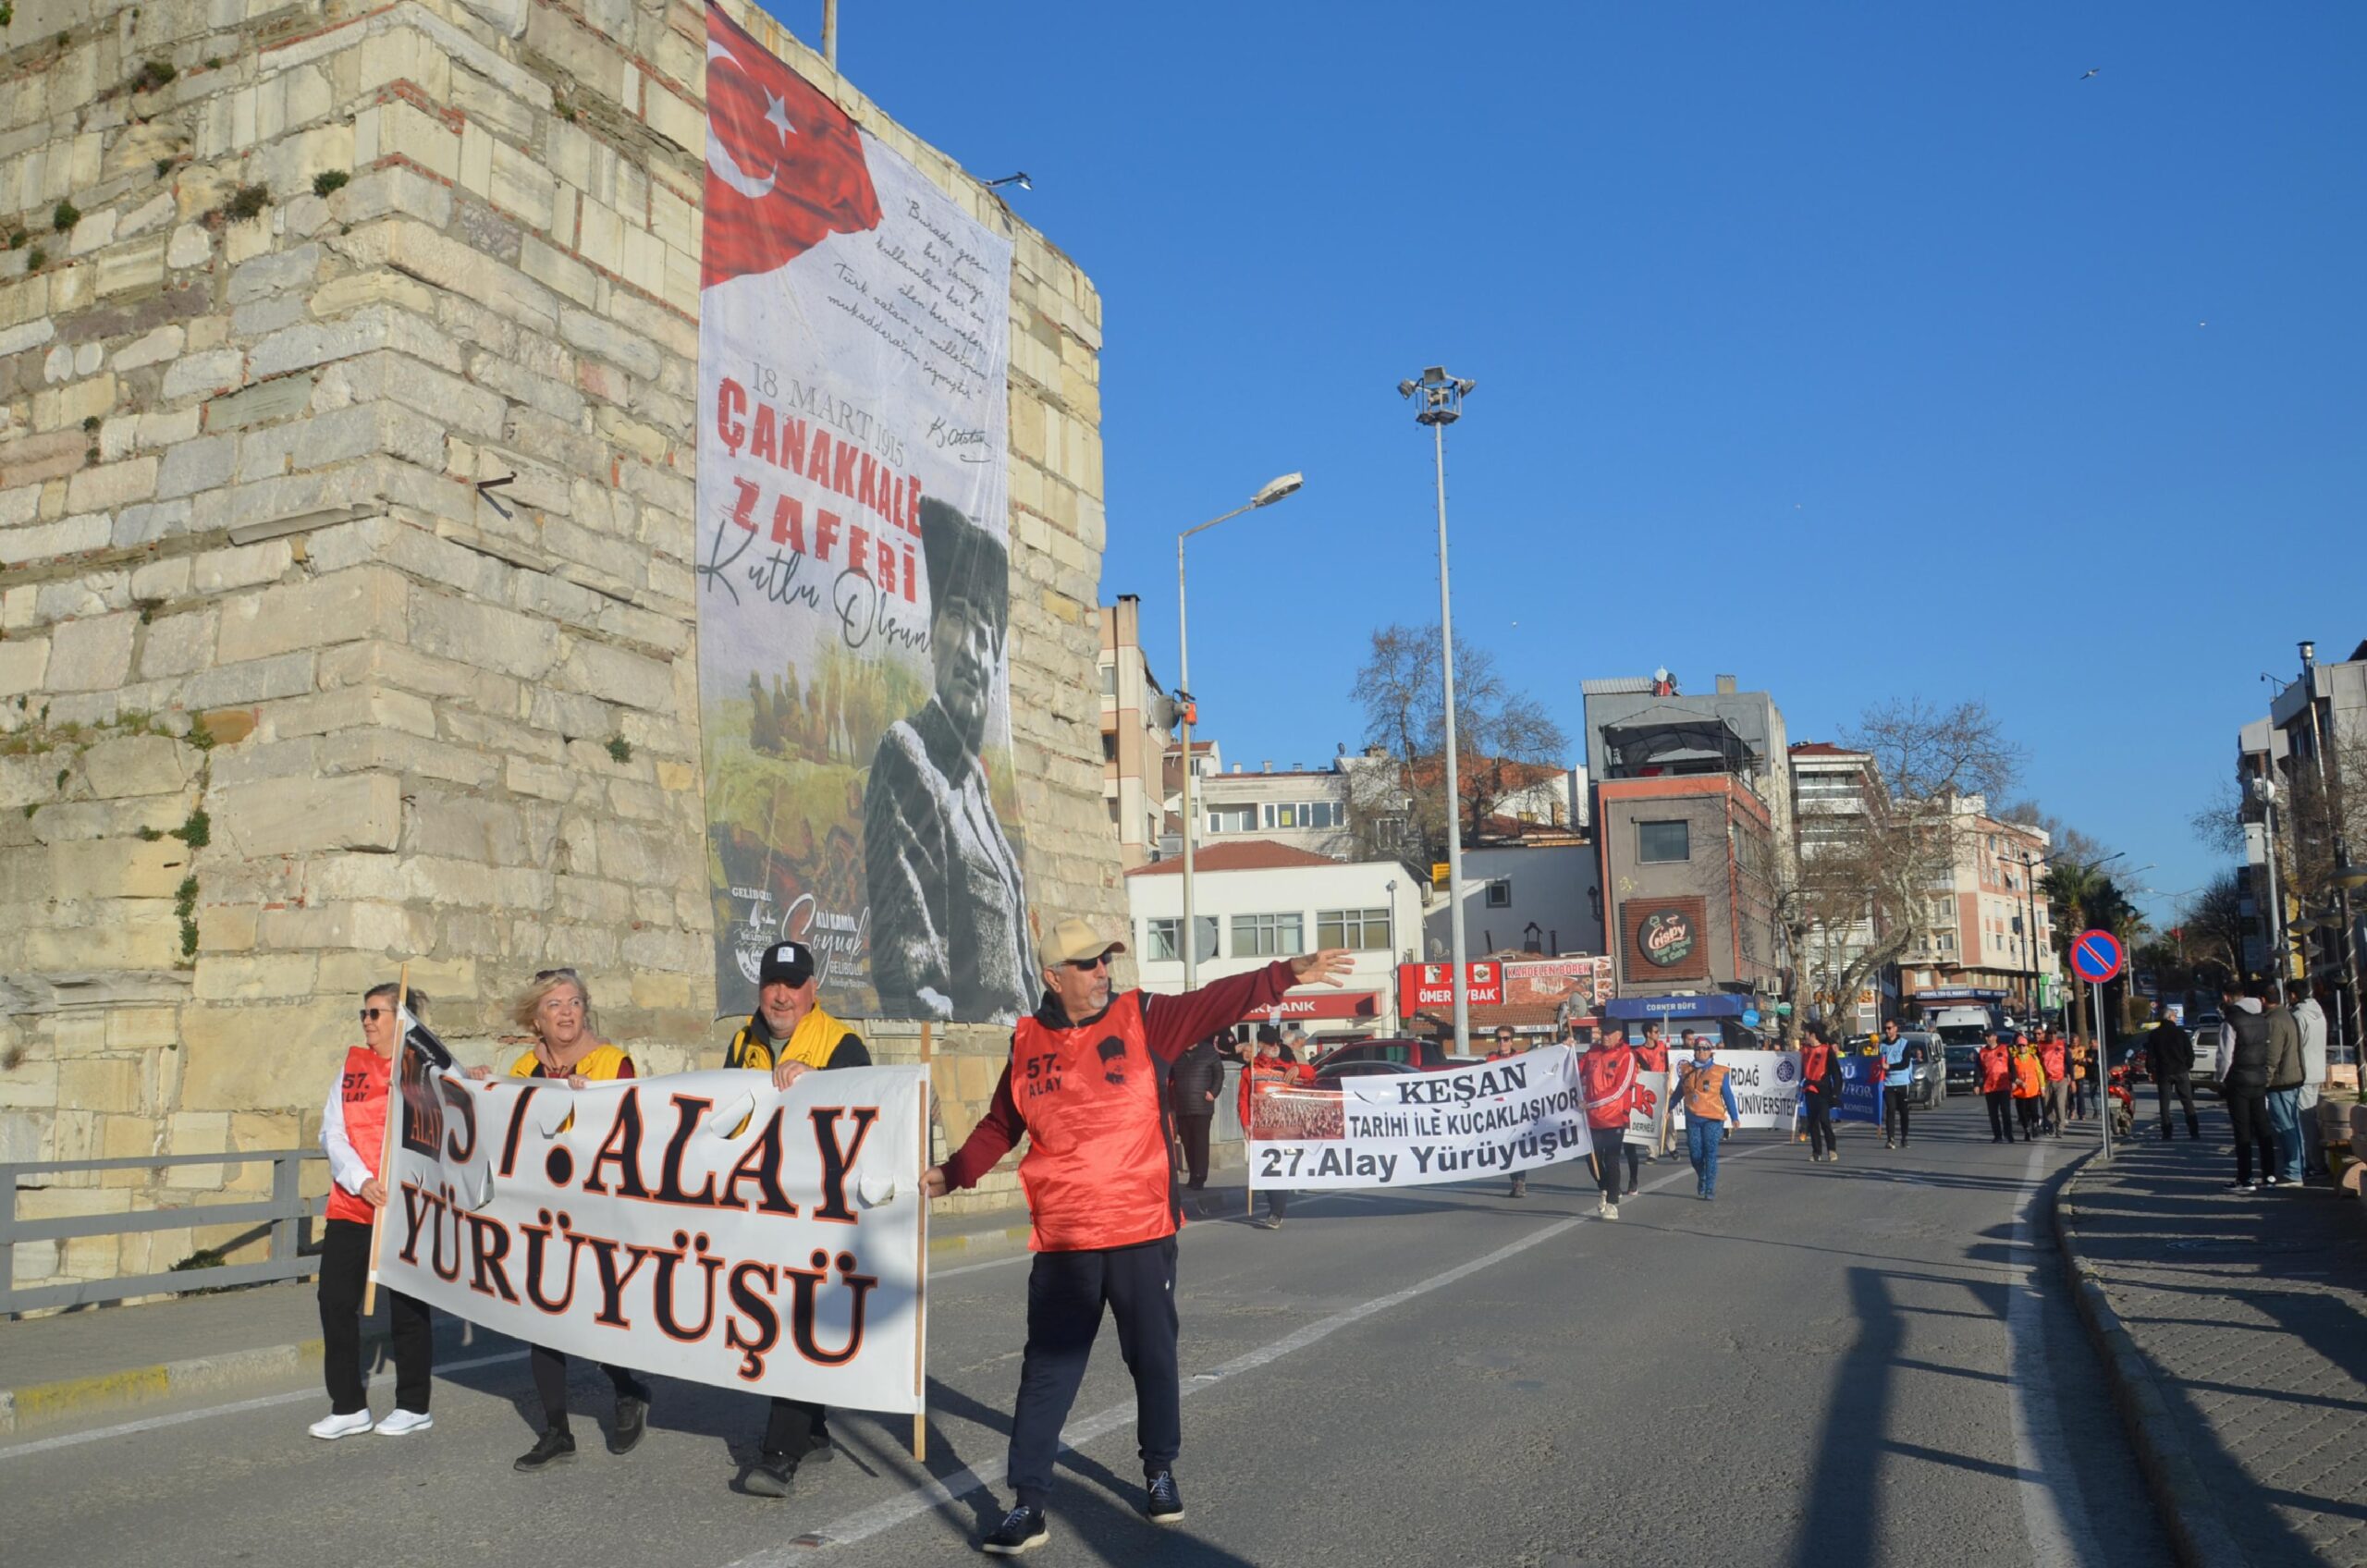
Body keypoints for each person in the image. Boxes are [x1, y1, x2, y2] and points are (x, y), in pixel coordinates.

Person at [924, 918, 1354, 1554]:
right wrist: (950, 1175)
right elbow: (999, 1124)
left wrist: (1284, 975)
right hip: (1066, 1240)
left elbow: (1215, 1001)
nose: (1103, 972)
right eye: (1089, 964)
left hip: (1139, 1230)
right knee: (1047, 1373)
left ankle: (1159, 1469)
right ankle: (1028, 1503)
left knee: (1151, 1356)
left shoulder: (1144, 1017)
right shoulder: (1026, 1042)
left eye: (1106, 961)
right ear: (1053, 977)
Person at [863, 497, 1035, 1024]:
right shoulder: (907, 751)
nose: (972, 651)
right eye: (958, 618)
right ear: (933, 636)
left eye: (988, 637)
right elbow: (917, 984)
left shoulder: (976, 787)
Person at [480, 969, 652, 1473]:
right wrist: (478, 1088)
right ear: (537, 1017)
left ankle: (628, 1389)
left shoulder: (611, 1061)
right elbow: (505, 1124)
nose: (566, 1012)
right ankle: (557, 1432)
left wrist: (591, 1102)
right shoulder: (525, 1065)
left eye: (574, 1002)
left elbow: (631, 1131)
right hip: (542, 1216)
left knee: (594, 1316)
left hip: (598, 1212)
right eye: (554, 1005)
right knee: (543, 1318)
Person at [721, 941, 872, 1500]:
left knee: (792, 1321)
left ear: (813, 990)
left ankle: (778, 1453)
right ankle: (812, 1431)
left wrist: (819, 1084)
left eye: (792, 984)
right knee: (775, 1318)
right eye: (771, 984)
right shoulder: (742, 1042)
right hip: (762, 1207)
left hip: (818, 1215)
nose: (780, 995)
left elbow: (866, 1114)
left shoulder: (842, 1044)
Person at [313, 984, 435, 1440]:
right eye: (363, 1012)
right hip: (352, 1203)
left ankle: (413, 1404)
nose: (366, 1020)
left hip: (403, 1208)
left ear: (401, 1020)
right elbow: (333, 1131)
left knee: (407, 1307)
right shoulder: (350, 1066)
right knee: (335, 1303)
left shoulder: (423, 1070)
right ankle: (347, 1405)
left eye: (376, 1013)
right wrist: (359, 1179)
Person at [2215, 978, 2278, 1193]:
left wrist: (2220, 1080)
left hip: (2238, 1080)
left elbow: (2225, 1056)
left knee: (2242, 1130)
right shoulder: (2261, 1018)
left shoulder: (2231, 1021)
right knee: (2262, 1126)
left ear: (2226, 997)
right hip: (2258, 1077)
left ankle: (2246, 1178)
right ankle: (2269, 1174)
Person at [1580, 1025, 1638, 1219]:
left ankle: (1613, 1202)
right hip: (1592, 1118)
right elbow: (1575, 1071)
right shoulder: (1593, 1052)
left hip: (1614, 1117)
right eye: (1603, 1033)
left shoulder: (1626, 1055)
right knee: (1592, 1159)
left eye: (1608, 1033)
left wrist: (1592, 1102)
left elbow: (1620, 1089)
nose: (1604, 1036)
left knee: (1611, 1159)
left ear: (1618, 1035)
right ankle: (1604, 1187)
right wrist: (1567, 1049)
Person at [1242, 1028, 1295, 1229]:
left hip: (1284, 1126)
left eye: (1277, 1044)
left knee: (1278, 1170)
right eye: (1271, 1044)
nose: (1275, 1047)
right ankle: (1274, 1208)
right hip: (1260, 1128)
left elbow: (1310, 1075)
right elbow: (1243, 1099)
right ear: (1261, 1045)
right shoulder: (1250, 1069)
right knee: (1265, 1170)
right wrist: (1245, 1123)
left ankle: (1276, 1213)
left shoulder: (1285, 1065)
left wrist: (1299, 1070)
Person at [1677, 1035, 1741, 1199]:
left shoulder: (1719, 1072)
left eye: (1705, 1049)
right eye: (1698, 1049)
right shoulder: (1686, 1070)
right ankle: (1702, 1176)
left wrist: (1734, 1116)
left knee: (1710, 1152)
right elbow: (1679, 1092)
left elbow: (1727, 1095)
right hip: (1693, 1118)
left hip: (1713, 1118)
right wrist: (1667, 1108)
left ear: (1710, 1051)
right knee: (1695, 1153)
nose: (1701, 1052)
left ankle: (1710, 1188)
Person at [1168, 1035, 1224, 1193]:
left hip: (1202, 1105)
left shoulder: (1208, 1051)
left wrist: (1213, 1092)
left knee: (1200, 1143)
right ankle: (1193, 1175)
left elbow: (1219, 1074)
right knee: (1187, 1143)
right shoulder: (1177, 1053)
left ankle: (1200, 1177)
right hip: (1183, 1105)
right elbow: (1169, 1075)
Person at [2263, 984, 2307, 1188]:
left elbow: (2272, 1056)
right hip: (2293, 1076)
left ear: (2264, 1000)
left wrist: (2265, 1080)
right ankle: (2299, 1167)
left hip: (2281, 1081)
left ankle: (2293, 1171)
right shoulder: (2288, 1015)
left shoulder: (2274, 1021)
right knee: (2293, 1125)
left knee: (2285, 1126)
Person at [2142, 1007, 2201, 1139]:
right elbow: (2190, 1053)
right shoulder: (2181, 1033)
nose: (2175, 1018)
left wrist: (2151, 1069)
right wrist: (2188, 1065)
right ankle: (2194, 1131)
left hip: (2164, 1072)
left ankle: (2167, 1132)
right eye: (2174, 1016)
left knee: (2164, 1104)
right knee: (2187, 1101)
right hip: (2180, 1070)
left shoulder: (2155, 1034)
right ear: (2170, 1018)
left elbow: (2150, 1055)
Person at [2295, 981, 2331, 1178]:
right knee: (2310, 1117)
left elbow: (2294, 1045)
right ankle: (2315, 1161)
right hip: (2317, 1069)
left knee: (2305, 1120)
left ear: (2293, 996)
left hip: (2304, 1072)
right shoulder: (2319, 1014)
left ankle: (2314, 1163)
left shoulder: (2300, 1016)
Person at [1489, 1026, 1528, 1197]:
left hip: (1518, 1110)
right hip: (1499, 1111)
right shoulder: (1490, 1060)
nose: (1502, 1042)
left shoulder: (1521, 1057)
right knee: (1505, 1148)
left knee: (1517, 1146)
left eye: (1505, 1039)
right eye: (1499, 1039)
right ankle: (1514, 1180)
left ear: (1511, 1041)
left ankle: (1520, 1182)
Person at [1798, 1025, 1841, 1162]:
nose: (1804, 1035)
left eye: (1806, 1033)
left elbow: (1836, 1072)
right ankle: (1816, 1152)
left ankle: (1832, 1149)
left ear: (1813, 1035)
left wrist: (1835, 1092)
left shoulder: (1826, 1050)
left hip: (1823, 1090)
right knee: (1812, 1122)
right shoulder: (1804, 1050)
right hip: (1809, 1090)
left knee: (1824, 1120)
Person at [1877, 1021, 1919, 1150]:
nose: (1887, 1031)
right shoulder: (1882, 1045)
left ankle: (1904, 1137)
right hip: (1888, 1083)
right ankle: (1891, 1139)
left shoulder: (1904, 1043)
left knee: (1904, 1112)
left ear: (1896, 1029)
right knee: (1890, 1110)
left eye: (1889, 1028)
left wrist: (1889, 1066)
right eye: (1885, 1028)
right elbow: (1878, 1061)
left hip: (1902, 1081)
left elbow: (1905, 1063)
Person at [1634, 1024, 1671, 1162]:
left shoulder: (1663, 1047)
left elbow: (1669, 1063)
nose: (1658, 1034)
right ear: (1648, 1034)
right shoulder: (1639, 1051)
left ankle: (1671, 1145)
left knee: (1668, 1118)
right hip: (1649, 1088)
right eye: (1656, 1031)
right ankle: (1652, 1152)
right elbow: (1639, 1068)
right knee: (1650, 1118)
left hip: (1664, 1084)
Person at [1979, 1032, 2017, 1143]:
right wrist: (1977, 1084)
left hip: (2003, 1086)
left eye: (1989, 1036)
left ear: (1995, 1037)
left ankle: (2008, 1134)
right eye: (1985, 1037)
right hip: (1989, 1087)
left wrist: (2013, 1080)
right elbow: (1978, 1068)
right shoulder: (1982, 1052)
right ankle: (1997, 1135)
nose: (1987, 1039)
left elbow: (2012, 1066)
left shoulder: (2004, 1049)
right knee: (1993, 1113)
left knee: (2005, 1112)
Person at [2010, 1036, 2045, 1141]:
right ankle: (2027, 1130)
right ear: (2016, 1047)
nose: (2021, 1047)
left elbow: (2040, 1072)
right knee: (2022, 1114)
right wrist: (2016, 1082)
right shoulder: (2014, 1060)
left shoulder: (2034, 1057)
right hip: (2020, 1091)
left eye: (2023, 1045)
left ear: (2027, 1046)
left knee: (2034, 1111)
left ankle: (2035, 1125)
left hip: (2033, 1090)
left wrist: (2042, 1087)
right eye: (2019, 1045)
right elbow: (2011, 1074)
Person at [2037, 1029, 2069, 1137]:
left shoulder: (2062, 1045)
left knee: (2059, 1104)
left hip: (2061, 1079)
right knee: (2047, 1106)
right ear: (2046, 1035)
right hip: (2046, 1080)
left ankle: (2060, 1128)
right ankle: (2052, 1123)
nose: (2052, 1035)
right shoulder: (2040, 1046)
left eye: (2054, 1033)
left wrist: (2071, 1078)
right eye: (2050, 1033)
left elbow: (2068, 1061)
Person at [2067, 1035, 2095, 1121]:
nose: (2074, 1043)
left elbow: (2084, 1061)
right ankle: (2072, 1110)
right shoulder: (2067, 1049)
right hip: (2070, 1074)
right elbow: (2068, 1061)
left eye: (2076, 1041)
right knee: (2070, 1094)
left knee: (2080, 1094)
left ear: (2079, 1041)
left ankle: (2082, 1113)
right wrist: (2076, 1060)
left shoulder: (2082, 1049)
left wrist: (2082, 1061)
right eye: (2072, 1041)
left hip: (2080, 1074)